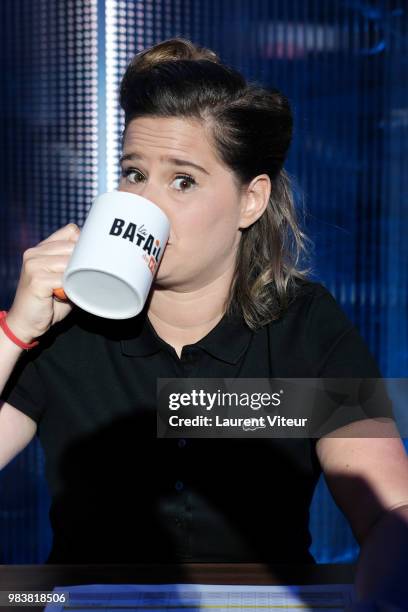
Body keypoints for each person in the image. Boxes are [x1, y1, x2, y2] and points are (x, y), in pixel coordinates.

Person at [0, 37, 407, 610]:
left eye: (183, 180)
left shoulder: (304, 324)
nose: (148, 202)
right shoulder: (69, 326)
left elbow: (392, 510)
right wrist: (15, 331)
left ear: (250, 200)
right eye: (134, 174)